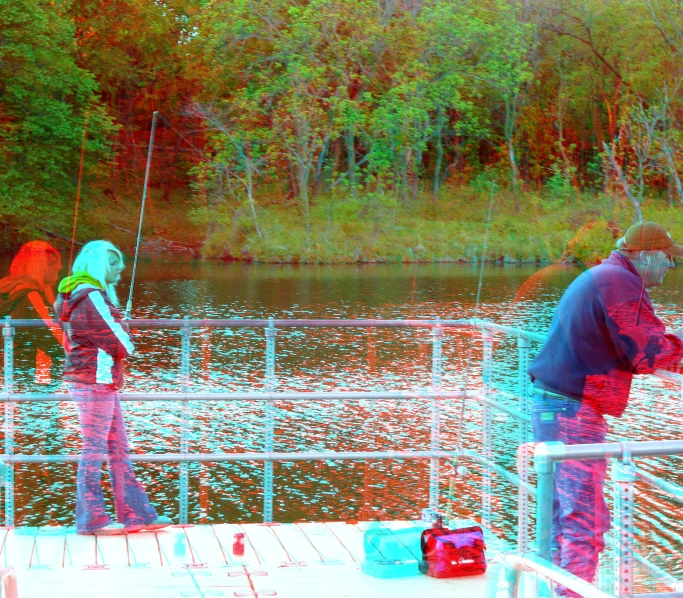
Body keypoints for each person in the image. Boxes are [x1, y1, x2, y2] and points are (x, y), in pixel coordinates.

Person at [527, 221, 683, 597]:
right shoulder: (621, 283)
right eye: (667, 259)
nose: (670, 268)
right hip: (573, 412)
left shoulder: (607, 275)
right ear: (646, 256)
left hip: (556, 405)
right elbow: (650, 353)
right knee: (585, 521)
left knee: (562, 518)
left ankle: (555, 590)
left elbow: (634, 344)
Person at [55, 240, 172, 535]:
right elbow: (121, 343)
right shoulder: (91, 296)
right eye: (114, 262)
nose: (121, 267)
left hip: (95, 382)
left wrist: (117, 321)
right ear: (100, 266)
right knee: (94, 450)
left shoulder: (74, 294)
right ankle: (92, 520)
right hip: (94, 381)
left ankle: (137, 515)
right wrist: (123, 326)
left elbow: (101, 333)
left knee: (118, 448)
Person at [0, 241, 65, 385]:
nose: (59, 267)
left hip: (9, 377)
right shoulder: (30, 295)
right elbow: (56, 341)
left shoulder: (8, 290)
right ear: (37, 267)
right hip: (30, 380)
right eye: (51, 263)